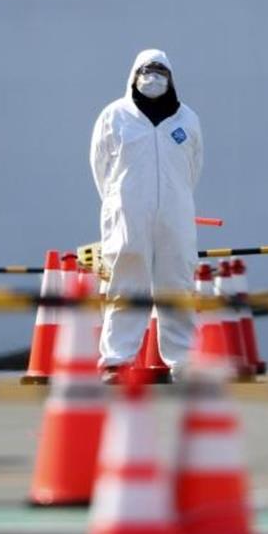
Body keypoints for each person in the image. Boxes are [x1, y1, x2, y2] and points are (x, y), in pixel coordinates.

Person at [89, 49, 204, 383]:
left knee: (177, 283)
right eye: (146, 70)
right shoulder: (115, 116)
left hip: (175, 213)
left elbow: (193, 168)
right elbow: (100, 167)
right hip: (128, 213)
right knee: (126, 281)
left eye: (160, 71)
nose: (152, 77)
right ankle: (116, 360)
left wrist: (173, 198)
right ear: (133, 75)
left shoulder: (187, 120)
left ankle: (183, 361)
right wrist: (120, 202)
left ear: (171, 77)